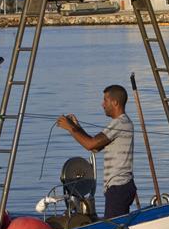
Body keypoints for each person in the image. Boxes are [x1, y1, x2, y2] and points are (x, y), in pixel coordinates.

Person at [57, 85, 135, 219]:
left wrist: (70, 128)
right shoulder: (121, 123)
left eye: (105, 100)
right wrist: (76, 127)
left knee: (114, 228)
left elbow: (90, 144)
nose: (102, 104)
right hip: (119, 187)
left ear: (115, 102)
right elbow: (95, 147)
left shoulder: (120, 123)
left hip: (118, 187)